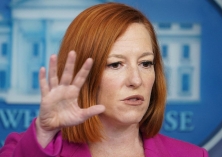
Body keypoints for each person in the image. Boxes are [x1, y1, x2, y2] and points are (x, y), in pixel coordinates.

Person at [0, 2, 208, 157]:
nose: (136, 80)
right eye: (115, 64)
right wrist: (45, 132)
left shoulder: (192, 155)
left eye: (146, 63)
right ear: (84, 76)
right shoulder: (23, 149)